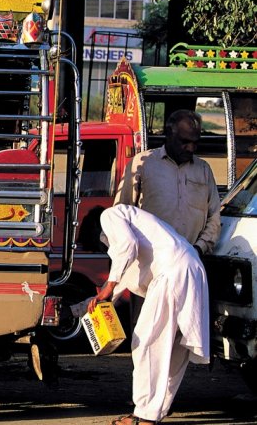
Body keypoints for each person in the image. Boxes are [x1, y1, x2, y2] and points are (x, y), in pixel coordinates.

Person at [89, 204, 209, 425]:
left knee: (146, 342)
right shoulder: (140, 224)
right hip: (191, 268)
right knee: (174, 347)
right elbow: (126, 276)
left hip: (172, 273)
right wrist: (97, 301)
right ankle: (156, 411)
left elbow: (126, 246)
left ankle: (144, 416)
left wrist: (108, 286)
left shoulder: (110, 215)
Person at [114, 108, 221, 256]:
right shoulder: (143, 164)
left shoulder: (203, 170)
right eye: (185, 141)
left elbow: (214, 216)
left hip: (190, 257)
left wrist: (198, 248)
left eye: (195, 143)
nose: (190, 148)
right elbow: (122, 211)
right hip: (150, 258)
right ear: (170, 134)